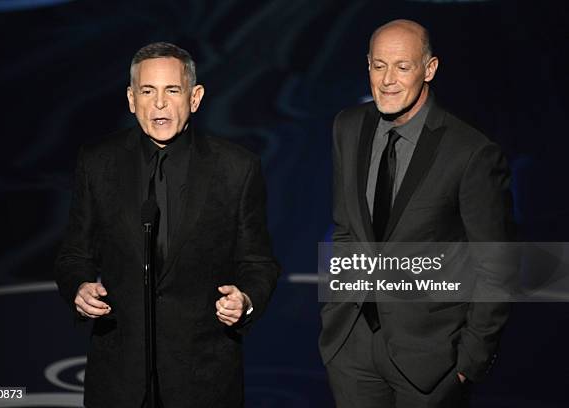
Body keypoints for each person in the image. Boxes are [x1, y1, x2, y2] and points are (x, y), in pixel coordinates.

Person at [55, 42, 280, 408]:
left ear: (195, 97)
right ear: (131, 99)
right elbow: (73, 254)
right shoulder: (98, 163)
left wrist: (246, 299)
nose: (159, 103)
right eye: (148, 91)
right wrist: (78, 288)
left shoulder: (237, 168)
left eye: (172, 90)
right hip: (118, 381)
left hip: (204, 382)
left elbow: (259, 262)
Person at [320, 19, 514, 407]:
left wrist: (468, 362)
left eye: (402, 66)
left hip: (432, 358)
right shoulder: (348, 126)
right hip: (351, 346)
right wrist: (336, 315)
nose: (388, 79)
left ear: (430, 69)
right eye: (379, 65)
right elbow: (345, 229)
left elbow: (497, 266)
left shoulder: (471, 152)